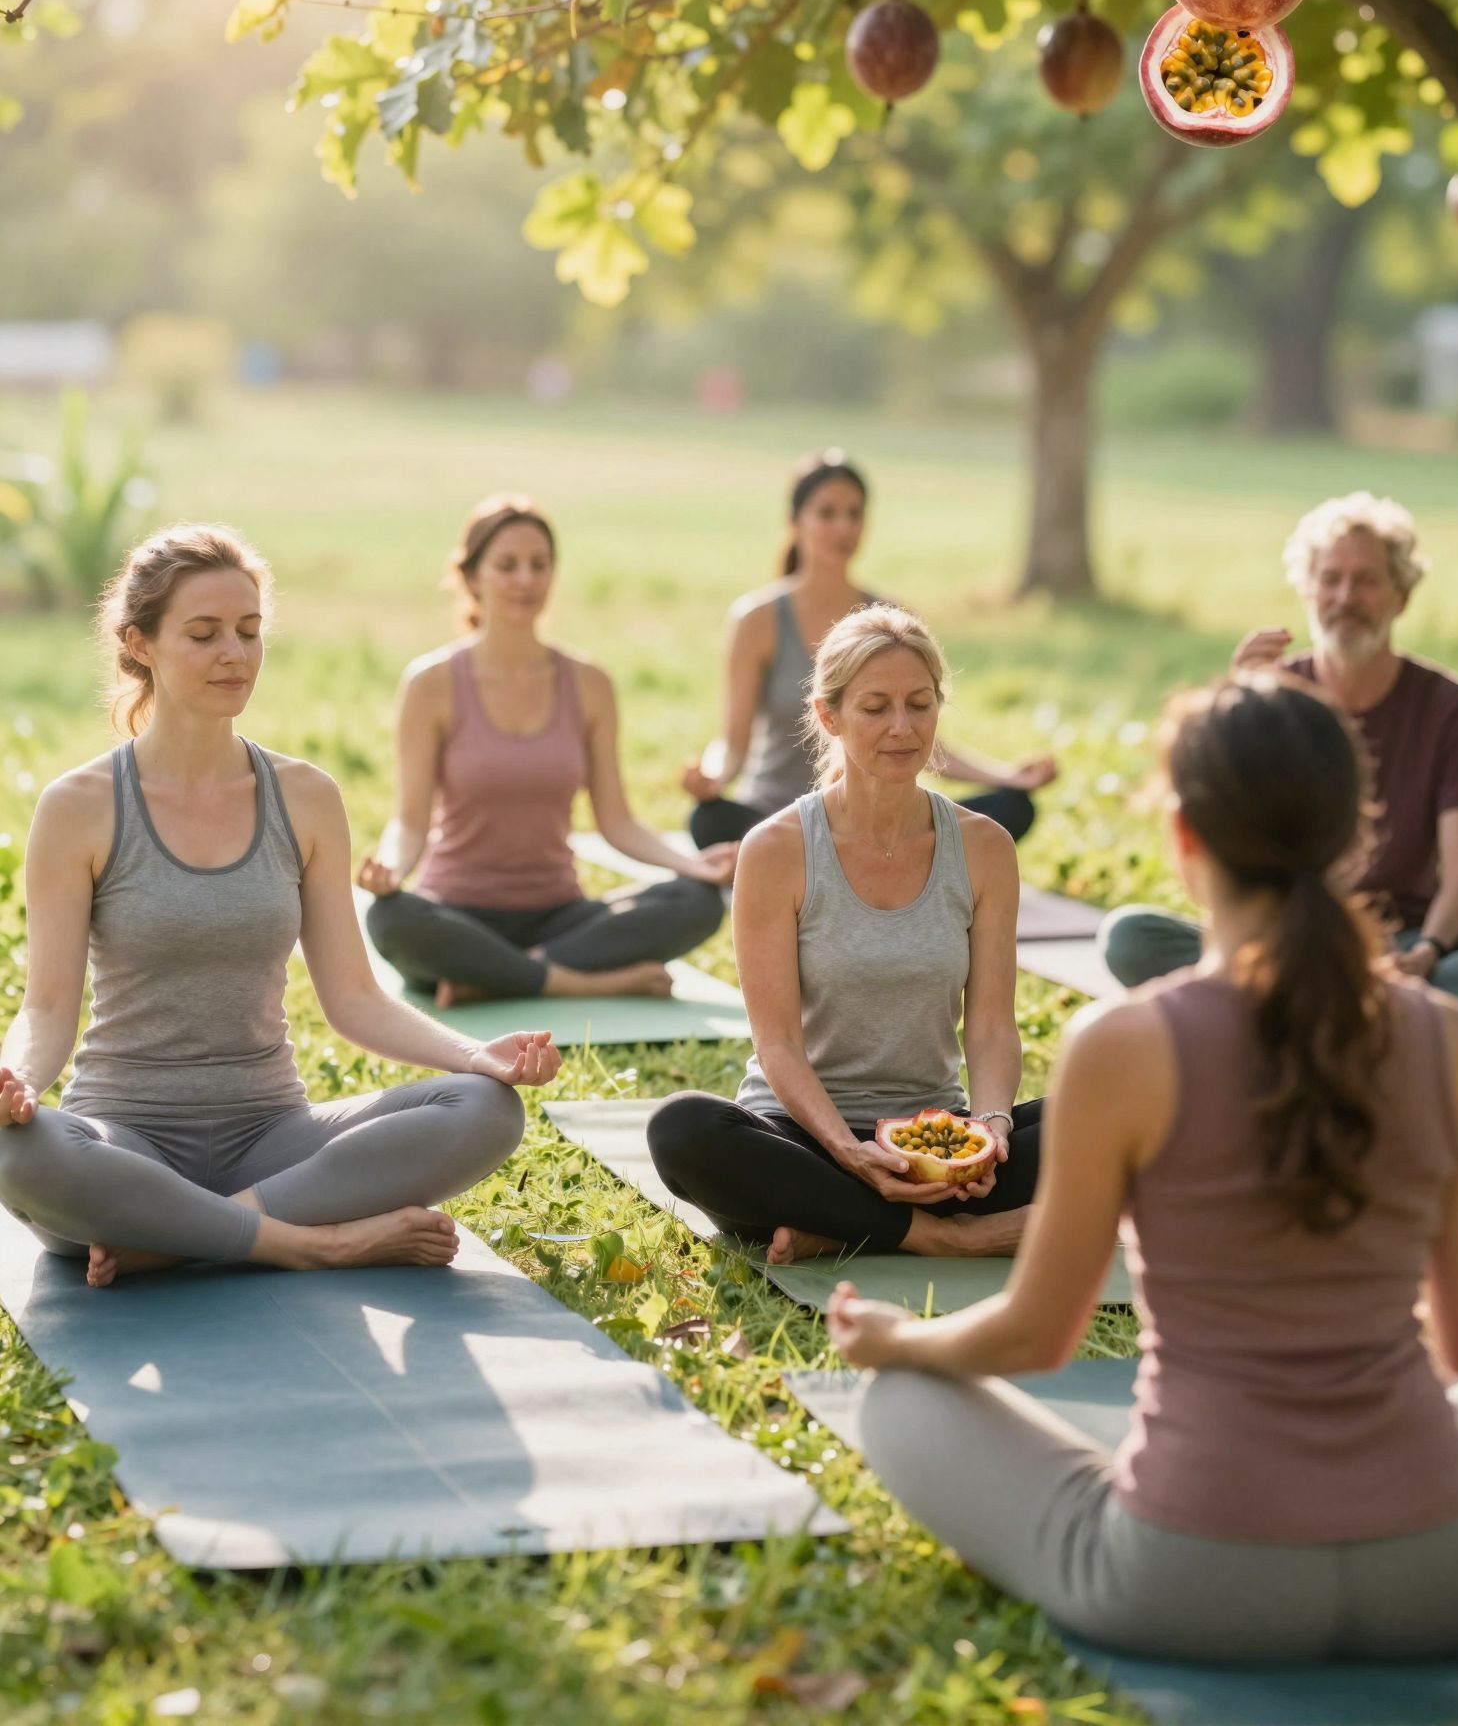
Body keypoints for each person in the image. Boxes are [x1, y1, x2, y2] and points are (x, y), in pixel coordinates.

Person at [829, 675, 1458, 1665]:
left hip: (1195, 1578)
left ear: (1184, 836)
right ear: (1351, 837)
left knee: (900, 1395)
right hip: (1444, 1580)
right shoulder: (1452, 1036)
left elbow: (1038, 1332)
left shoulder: (1125, 1042)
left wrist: (905, 1337)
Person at [0, 524, 557, 1287]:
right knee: (17, 1150)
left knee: (487, 1108)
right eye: (203, 634)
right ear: (140, 644)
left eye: (250, 631)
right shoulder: (81, 807)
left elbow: (356, 1000)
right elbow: (48, 1009)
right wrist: (17, 1081)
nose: (235, 653)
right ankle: (315, 1242)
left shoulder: (304, 798)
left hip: (272, 1135)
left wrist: (474, 1057)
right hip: (128, 1136)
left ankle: (174, 1235)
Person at [649, 604, 1045, 1264]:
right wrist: (850, 1153)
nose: (902, 727)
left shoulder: (984, 848)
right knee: (682, 1129)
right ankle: (943, 1236)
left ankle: (838, 1226)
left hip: (937, 1140)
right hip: (804, 1136)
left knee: (1112, 1113)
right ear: (829, 716)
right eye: (876, 707)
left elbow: (993, 1028)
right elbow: (777, 1045)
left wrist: (992, 1129)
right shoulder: (776, 849)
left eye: (920, 704)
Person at [1100, 491, 1458, 1051]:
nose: (1346, 596)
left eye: (1367, 580)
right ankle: (1393, 1018)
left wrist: (1427, 953)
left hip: (1404, 948)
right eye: (1330, 579)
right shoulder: (1271, 695)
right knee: (1130, 937)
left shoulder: (1453, 708)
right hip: (1277, 938)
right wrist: (1237, 710)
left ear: (1401, 596)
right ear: (1307, 591)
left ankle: (1304, 1009)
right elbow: (1218, 838)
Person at [362, 495, 731, 1004]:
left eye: (540, 565)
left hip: (562, 918)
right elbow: (409, 821)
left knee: (697, 902)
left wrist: (692, 866)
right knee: (391, 919)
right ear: (472, 578)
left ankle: (496, 978)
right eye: (507, 565)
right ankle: (583, 982)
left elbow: (617, 821)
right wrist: (389, 869)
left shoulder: (589, 684)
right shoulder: (431, 684)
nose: (525, 580)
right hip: (458, 914)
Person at [681, 450, 1055, 851]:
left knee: (1013, 808)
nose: (843, 526)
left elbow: (916, 733)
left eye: (854, 514)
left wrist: (1008, 776)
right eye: (827, 513)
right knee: (709, 821)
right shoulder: (756, 619)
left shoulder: (893, 620)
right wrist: (711, 776)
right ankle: (823, 855)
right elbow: (733, 742)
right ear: (795, 523)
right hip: (778, 818)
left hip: (877, 818)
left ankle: (861, 852)